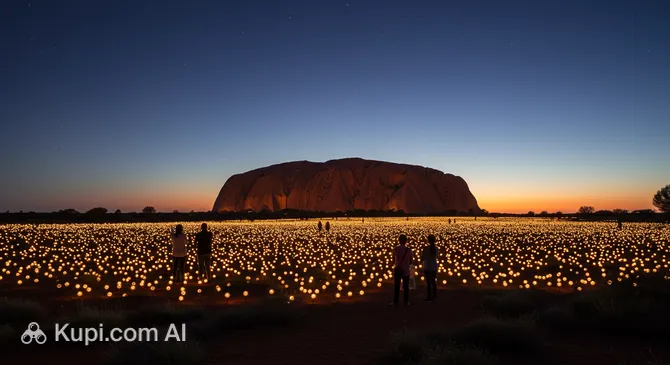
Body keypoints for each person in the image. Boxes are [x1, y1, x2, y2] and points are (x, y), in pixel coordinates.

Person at [391, 234, 412, 306]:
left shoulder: (395, 249)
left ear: (399, 240)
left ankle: (395, 302)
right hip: (406, 270)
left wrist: (396, 264)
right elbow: (411, 261)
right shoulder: (409, 250)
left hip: (397, 269)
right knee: (406, 287)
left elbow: (393, 259)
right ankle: (406, 302)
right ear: (406, 241)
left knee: (397, 286)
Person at [422, 234, 439, 301]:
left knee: (428, 283)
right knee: (433, 282)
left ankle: (429, 296)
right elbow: (436, 256)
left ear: (428, 240)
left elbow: (422, 258)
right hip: (433, 267)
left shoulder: (425, 249)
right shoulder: (436, 249)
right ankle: (434, 296)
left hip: (427, 267)